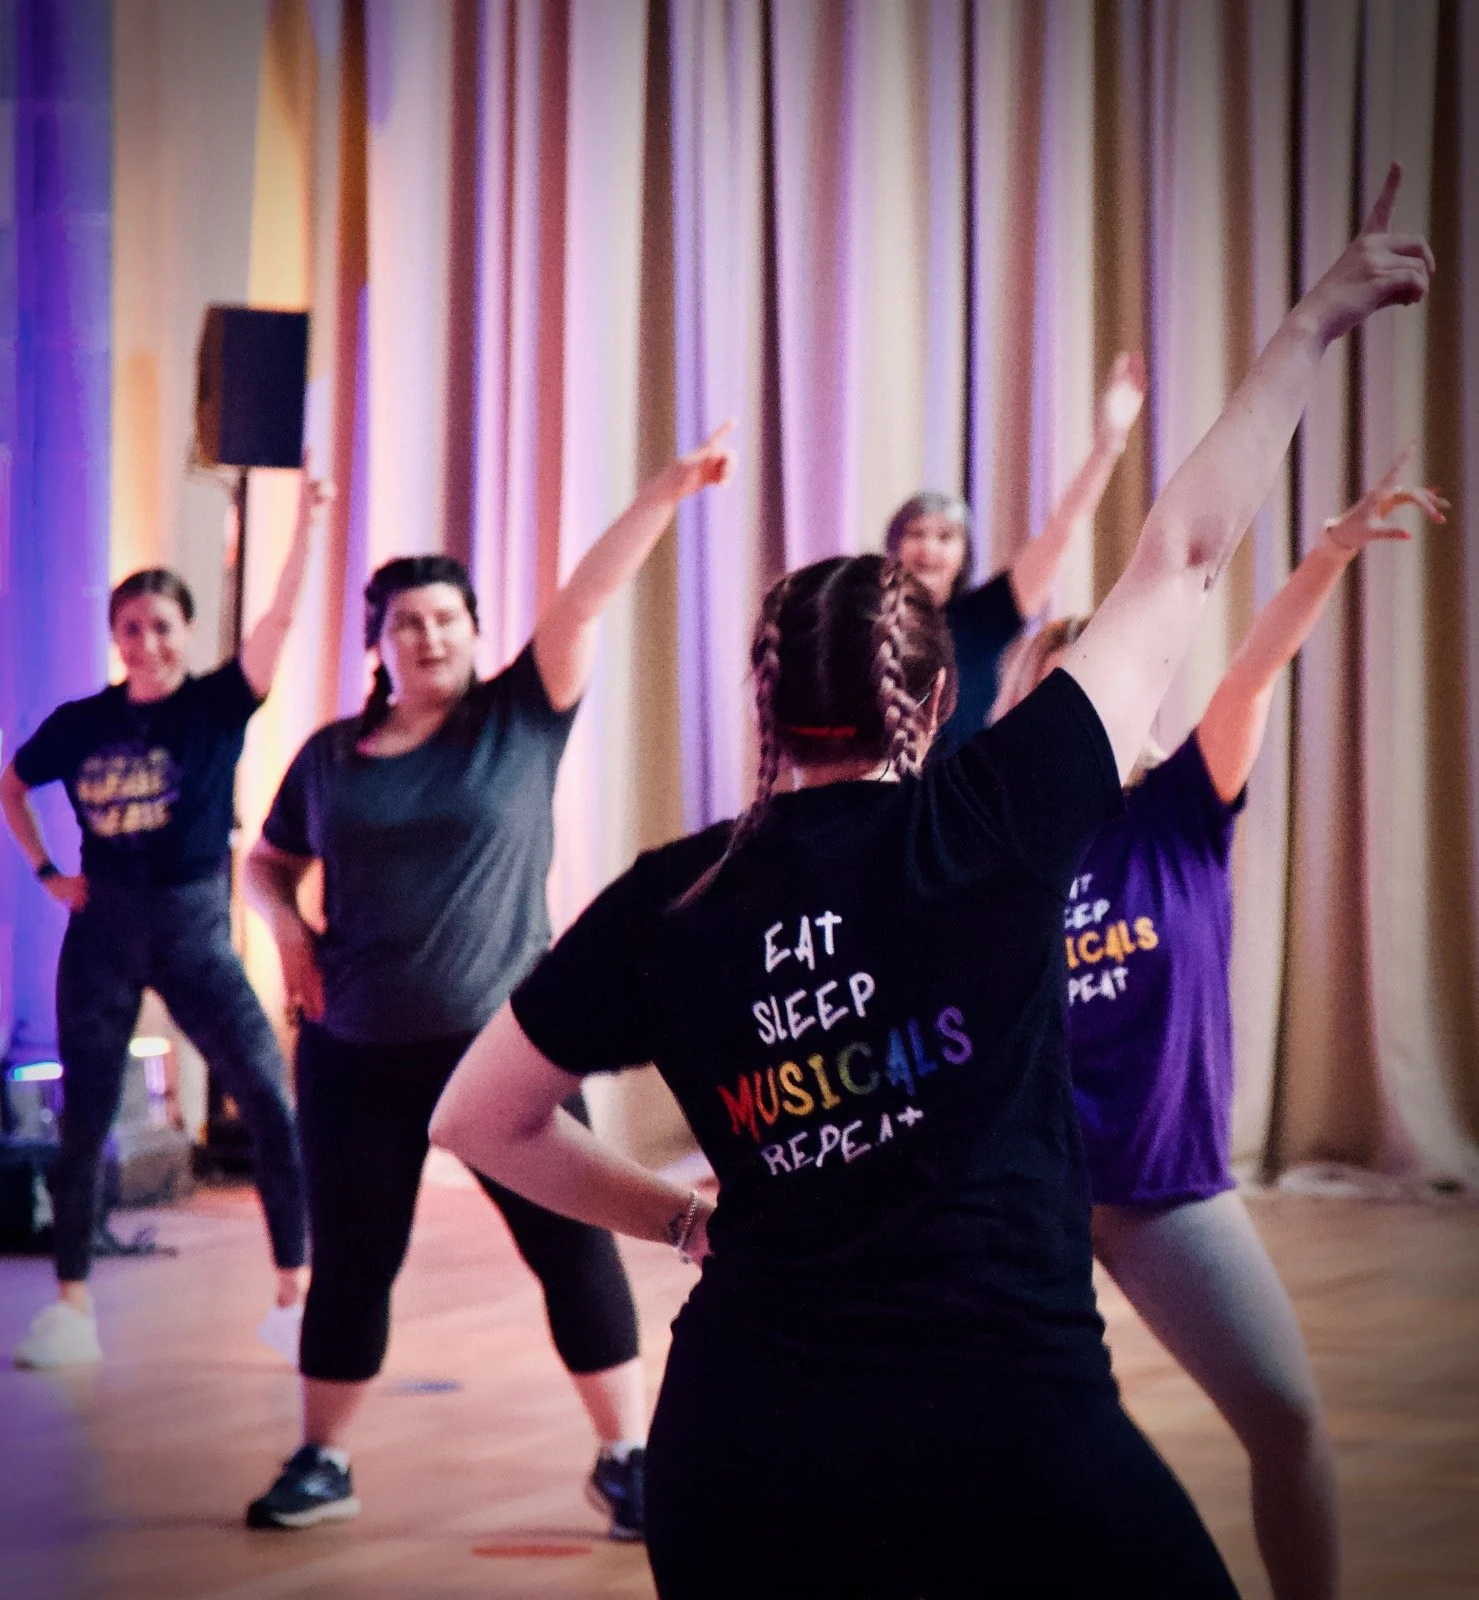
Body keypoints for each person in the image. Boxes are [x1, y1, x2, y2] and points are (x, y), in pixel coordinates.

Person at [428, 165, 1430, 1597]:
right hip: (1004, 1429)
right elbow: (1187, 552)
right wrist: (1313, 321)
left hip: (740, 1450)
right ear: (939, 694)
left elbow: (477, 1116)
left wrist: (686, 1219)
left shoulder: (670, 898)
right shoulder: (997, 814)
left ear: (766, 701)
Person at [240, 425, 737, 1537]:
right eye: (406, 622)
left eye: (447, 617)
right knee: (353, 1260)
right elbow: (266, 864)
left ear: (475, 630)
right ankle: (323, 1459)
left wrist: (665, 489)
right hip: (353, 1051)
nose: (428, 634)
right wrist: (288, 935)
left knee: (572, 1248)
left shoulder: (518, 717)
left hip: (504, 1048)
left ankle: (626, 1458)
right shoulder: (328, 757)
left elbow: (584, 599)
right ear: (378, 642)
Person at [990, 445, 1446, 1600]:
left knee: (1285, 1416)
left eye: (1099, 687)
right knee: (981, 1446)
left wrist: (1327, 554)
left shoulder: (1180, 808)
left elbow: (1253, 668)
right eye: (1057, 691)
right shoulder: (994, 844)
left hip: (1164, 1189)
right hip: (1028, 1193)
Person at [0, 463, 334, 1370]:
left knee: (268, 1098)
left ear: (185, 632)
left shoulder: (216, 707)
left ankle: (294, 1296)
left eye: (161, 626)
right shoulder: (81, 722)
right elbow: (10, 785)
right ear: (115, 637)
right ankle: (71, 1308)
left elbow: (277, 624)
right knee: (84, 1117)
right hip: (102, 933)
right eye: (131, 628)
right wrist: (47, 872)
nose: (146, 642)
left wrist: (307, 527)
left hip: (192, 931)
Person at [887, 350, 1146, 749]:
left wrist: (1107, 446)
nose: (929, 549)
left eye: (945, 537)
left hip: (962, 786)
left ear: (964, 554)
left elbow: (1061, 533)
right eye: (916, 533)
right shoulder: (871, 619)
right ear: (894, 546)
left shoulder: (982, 617)